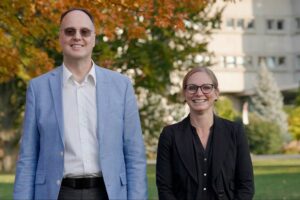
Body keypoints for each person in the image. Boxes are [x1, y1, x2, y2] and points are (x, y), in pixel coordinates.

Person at [13, 8, 148, 200]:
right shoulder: (38, 88)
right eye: (70, 31)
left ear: (94, 38)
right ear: (60, 37)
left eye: (84, 32)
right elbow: (28, 157)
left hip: (108, 193)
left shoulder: (121, 85)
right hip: (57, 193)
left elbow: (135, 156)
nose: (77, 37)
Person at [156, 67, 254, 200]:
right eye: (192, 88)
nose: (199, 93)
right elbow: (164, 188)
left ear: (216, 93)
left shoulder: (235, 132)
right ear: (185, 93)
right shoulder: (170, 135)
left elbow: (246, 186)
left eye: (206, 87)